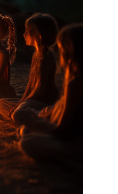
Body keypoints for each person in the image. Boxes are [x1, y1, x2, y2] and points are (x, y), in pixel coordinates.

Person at [15, 23, 82, 172]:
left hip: (74, 141)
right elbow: (64, 108)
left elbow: (62, 129)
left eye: (61, 48)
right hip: (65, 130)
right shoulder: (72, 79)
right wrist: (46, 113)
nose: (59, 53)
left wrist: (34, 119)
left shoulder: (76, 83)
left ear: (71, 52)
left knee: (28, 139)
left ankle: (72, 163)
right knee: (25, 126)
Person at [0, 13, 60, 123]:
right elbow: (30, 84)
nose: (24, 34)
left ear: (39, 35)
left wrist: (21, 104)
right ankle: (26, 116)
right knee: (0, 103)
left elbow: (39, 90)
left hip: (44, 101)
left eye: (28, 32)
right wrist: (20, 102)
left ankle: (41, 117)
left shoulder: (45, 57)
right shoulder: (36, 55)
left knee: (18, 112)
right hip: (33, 101)